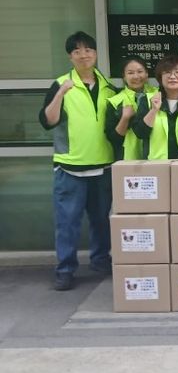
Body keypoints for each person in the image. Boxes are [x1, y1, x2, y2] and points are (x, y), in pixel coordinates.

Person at [38, 31, 117, 291]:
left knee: (101, 220)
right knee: (67, 223)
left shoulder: (108, 86)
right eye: (77, 51)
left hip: (102, 165)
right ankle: (65, 269)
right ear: (70, 57)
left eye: (88, 50)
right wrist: (61, 93)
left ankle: (100, 260)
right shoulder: (61, 83)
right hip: (70, 167)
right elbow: (48, 121)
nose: (84, 55)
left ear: (96, 54)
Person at [132, 55, 178, 159]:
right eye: (167, 72)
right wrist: (153, 110)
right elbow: (140, 133)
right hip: (156, 163)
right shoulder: (148, 100)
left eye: (177, 72)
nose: (172, 76)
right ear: (160, 77)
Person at [105, 57, 157, 161]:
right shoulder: (115, 101)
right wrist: (125, 118)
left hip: (156, 156)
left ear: (147, 74)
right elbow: (113, 139)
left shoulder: (158, 95)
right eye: (130, 73)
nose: (136, 76)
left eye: (140, 71)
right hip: (128, 159)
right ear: (124, 77)